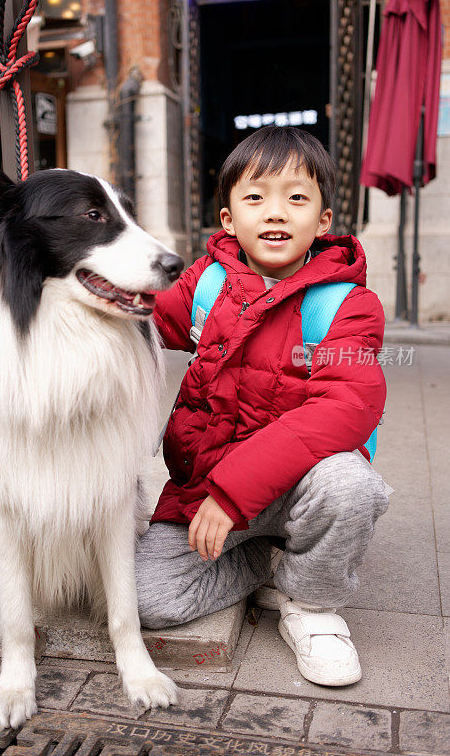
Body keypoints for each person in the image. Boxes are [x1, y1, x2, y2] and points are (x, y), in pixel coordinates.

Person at [135, 125, 393, 687]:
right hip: (205, 487)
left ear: (323, 221)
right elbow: (145, 321)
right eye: (255, 197)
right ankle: (260, 566)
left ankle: (312, 606)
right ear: (229, 219)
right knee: (146, 599)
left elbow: (347, 407)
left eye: (297, 198)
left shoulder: (349, 306)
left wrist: (234, 495)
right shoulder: (207, 285)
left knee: (348, 484)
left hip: (290, 491)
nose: (275, 213)